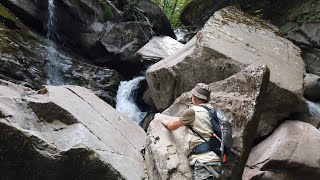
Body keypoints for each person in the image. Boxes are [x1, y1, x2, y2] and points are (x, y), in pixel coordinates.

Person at [161, 83, 222, 180]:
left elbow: (172, 126)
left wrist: (165, 121)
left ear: (194, 97)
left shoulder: (193, 111)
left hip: (204, 162)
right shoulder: (215, 111)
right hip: (216, 160)